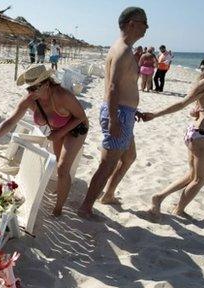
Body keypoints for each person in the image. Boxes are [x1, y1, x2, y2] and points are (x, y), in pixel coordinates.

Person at [142, 44, 204, 217]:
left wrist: (198, 109)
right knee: (200, 179)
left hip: (203, 135)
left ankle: (158, 198)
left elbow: (201, 104)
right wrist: (154, 114)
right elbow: (183, 103)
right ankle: (179, 210)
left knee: (192, 176)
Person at [0, 65, 89, 216]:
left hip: (76, 127)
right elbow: (11, 121)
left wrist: (59, 134)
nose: (30, 92)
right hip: (57, 129)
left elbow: (81, 117)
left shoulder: (63, 95)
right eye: (28, 88)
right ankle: (62, 186)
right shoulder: (30, 99)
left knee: (63, 167)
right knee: (59, 167)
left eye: (34, 88)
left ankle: (58, 208)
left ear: (46, 83)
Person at [77, 7, 148, 218]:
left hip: (124, 112)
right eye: (144, 22)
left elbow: (122, 86)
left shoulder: (125, 49)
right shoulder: (123, 50)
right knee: (107, 164)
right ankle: (85, 207)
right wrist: (115, 118)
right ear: (131, 23)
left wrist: (130, 109)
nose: (147, 27)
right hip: (118, 114)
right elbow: (113, 87)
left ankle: (108, 194)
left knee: (129, 157)